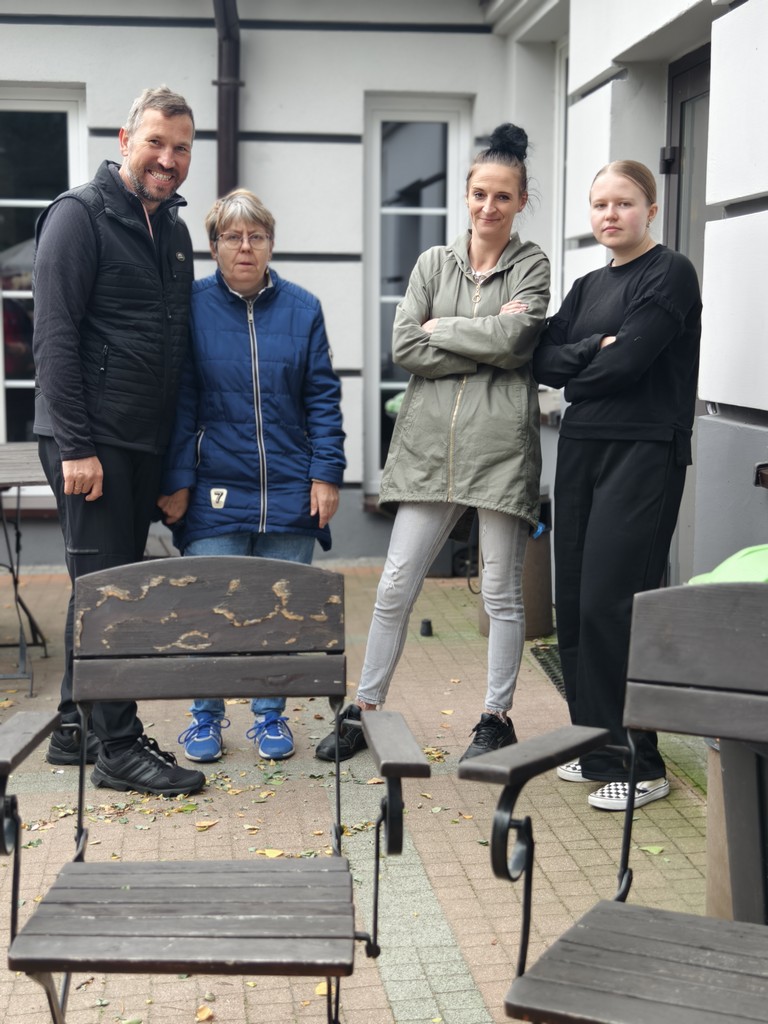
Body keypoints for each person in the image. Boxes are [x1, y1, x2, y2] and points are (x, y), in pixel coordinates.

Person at [315, 123, 550, 764]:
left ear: (521, 201)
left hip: (500, 451)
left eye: (502, 196)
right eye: (479, 193)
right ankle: (364, 709)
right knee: (394, 585)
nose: (488, 207)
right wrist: (483, 337)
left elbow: (515, 343)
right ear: (466, 194)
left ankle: (495, 718)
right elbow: (404, 345)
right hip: (429, 449)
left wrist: (442, 327)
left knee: (501, 594)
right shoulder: (432, 264)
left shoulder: (531, 264)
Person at [33, 85, 205, 797]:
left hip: (140, 444)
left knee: (108, 586)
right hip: (90, 443)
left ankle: (77, 726)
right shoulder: (79, 217)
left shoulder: (175, 233)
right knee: (113, 599)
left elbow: (176, 349)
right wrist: (77, 447)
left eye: (182, 148)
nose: (168, 158)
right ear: (125, 140)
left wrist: (171, 462)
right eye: (156, 142)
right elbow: (54, 337)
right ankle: (120, 750)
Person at [532, 160, 702, 812]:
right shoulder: (587, 286)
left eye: (624, 203)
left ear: (650, 209)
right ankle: (598, 747)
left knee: (613, 603)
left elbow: (629, 361)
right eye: (600, 203)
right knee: (575, 603)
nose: (610, 214)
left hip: (644, 450)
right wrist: (586, 356)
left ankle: (641, 764)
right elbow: (542, 360)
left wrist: (578, 372)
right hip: (581, 450)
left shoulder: (670, 272)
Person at [158, 188, 345, 764]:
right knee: (208, 609)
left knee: (279, 612)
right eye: (233, 237)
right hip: (214, 486)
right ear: (214, 246)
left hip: (290, 486)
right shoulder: (191, 306)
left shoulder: (303, 308)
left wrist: (326, 473)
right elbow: (179, 402)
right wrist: (176, 479)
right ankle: (205, 718)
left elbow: (322, 398)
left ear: (270, 244)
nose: (245, 247)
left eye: (256, 236)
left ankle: (270, 716)